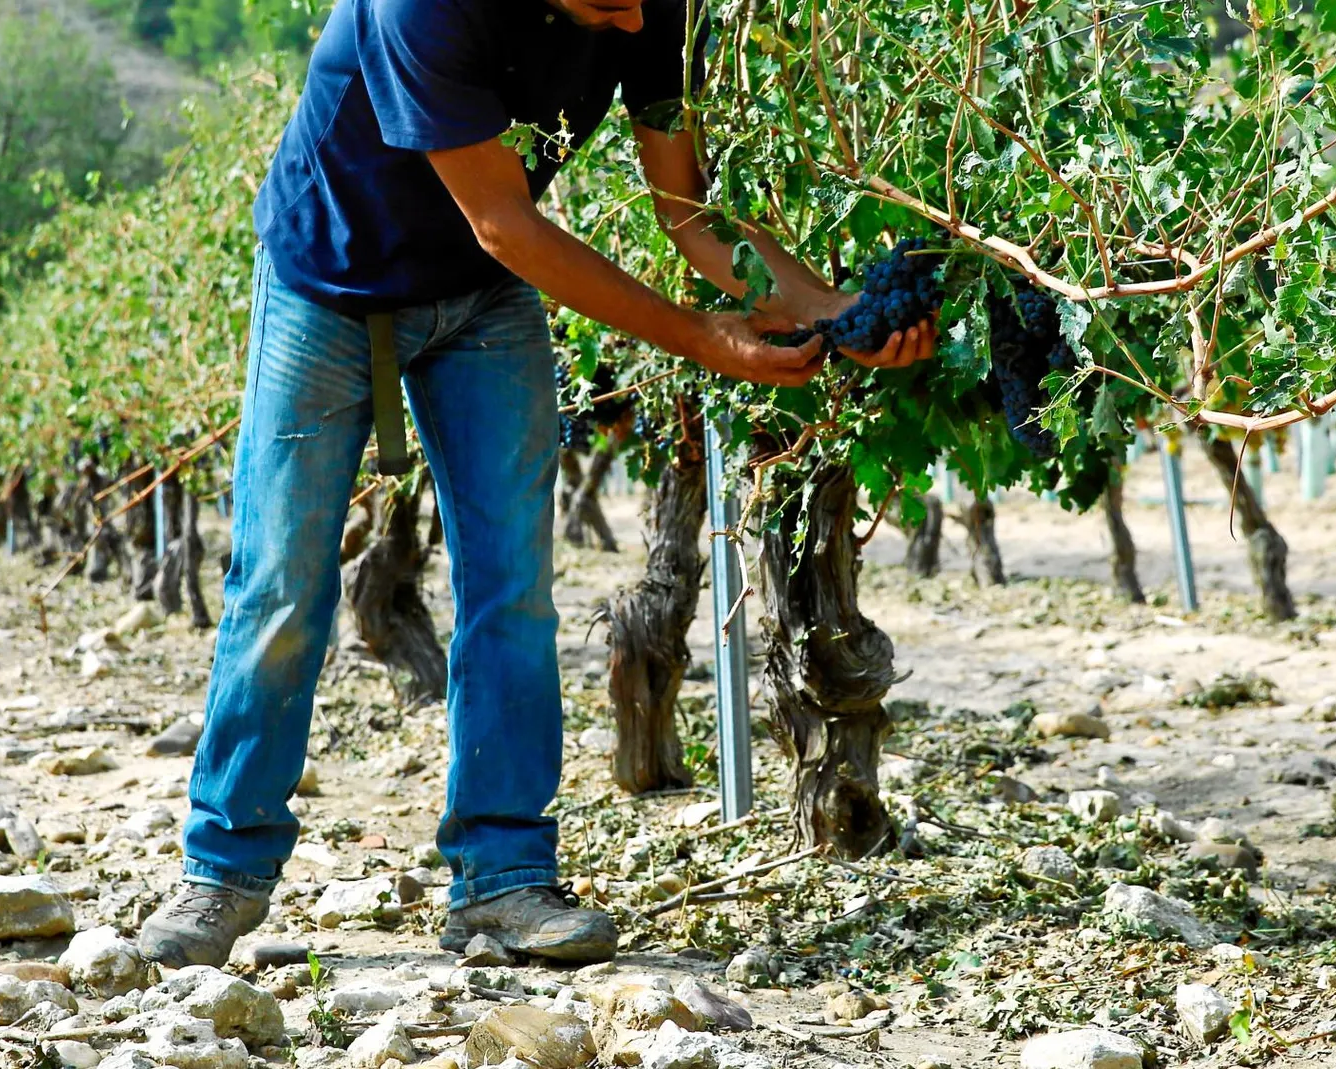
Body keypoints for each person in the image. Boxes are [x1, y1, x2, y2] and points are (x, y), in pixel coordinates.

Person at [136, 0, 937, 969]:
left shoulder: (647, 4)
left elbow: (687, 212)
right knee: (279, 583)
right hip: (329, 284)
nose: (636, 15)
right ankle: (222, 872)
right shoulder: (423, 9)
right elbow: (506, 222)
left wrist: (834, 308)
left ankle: (504, 880)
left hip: (476, 300)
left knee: (513, 588)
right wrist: (699, 338)